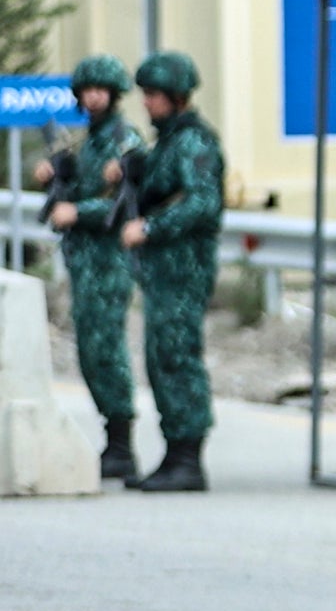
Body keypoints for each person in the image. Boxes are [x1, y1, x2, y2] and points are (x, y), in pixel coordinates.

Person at [27, 52, 140, 484]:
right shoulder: (87, 141)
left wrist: (79, 211)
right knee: (90, 350)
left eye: (100, 90)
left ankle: (121, 443)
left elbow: (123, 198)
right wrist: (55, 178)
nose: (93, 98)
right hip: (85, 261)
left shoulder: (123, 140)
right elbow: (81, 184)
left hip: (108, 259)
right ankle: (112, 441)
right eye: (86, 91)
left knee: (106, 347)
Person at [116, 50, 223, 494]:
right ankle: (175, 452)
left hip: (183, 270)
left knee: (177, 357)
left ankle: (187, 458)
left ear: (177, 97)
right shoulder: (168, 142)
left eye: (154, 95)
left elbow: (203, 202)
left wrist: (151, 227)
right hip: (163, 272)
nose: (147, 103)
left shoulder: (194, 143)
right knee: (162, 357)